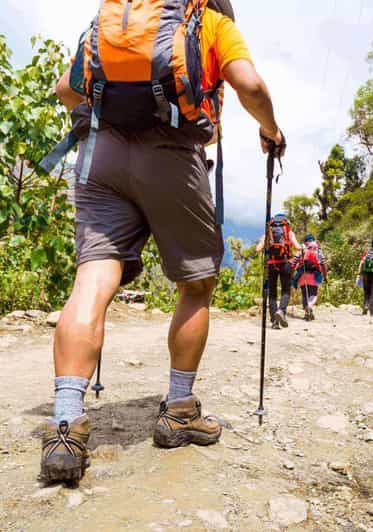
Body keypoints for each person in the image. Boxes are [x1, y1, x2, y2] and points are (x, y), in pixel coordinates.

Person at [40, 0, 286, 484]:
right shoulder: (210, 23)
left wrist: (105, 125)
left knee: (92, 278)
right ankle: (178, 411)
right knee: (195, 284)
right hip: (174, 156)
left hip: (101, 157)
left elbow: (68, 90)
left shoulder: (112, 21)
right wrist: (270, 129)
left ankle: (65, 424)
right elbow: (250, 85)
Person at [256, 214, 301, 330]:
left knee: (272, 293)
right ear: (285, 223)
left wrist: (264, 245)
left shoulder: (268, 233)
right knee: (286, 290)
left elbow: (258, 249)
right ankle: (281, 311)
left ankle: (274, 320)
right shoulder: (289, 233)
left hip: (271, 264)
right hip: (286, 264)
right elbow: (298, 247)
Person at [294, 235, 327, 321]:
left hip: (302, 275)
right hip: (314, 275)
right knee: (313, 294)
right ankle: (310, 306)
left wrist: (292, 274)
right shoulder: (317, 249)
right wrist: (325, 276)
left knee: (305, 294)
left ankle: (306, 312)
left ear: (305, 241)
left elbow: (294, 261)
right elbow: (323, 264)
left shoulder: (302, 249)